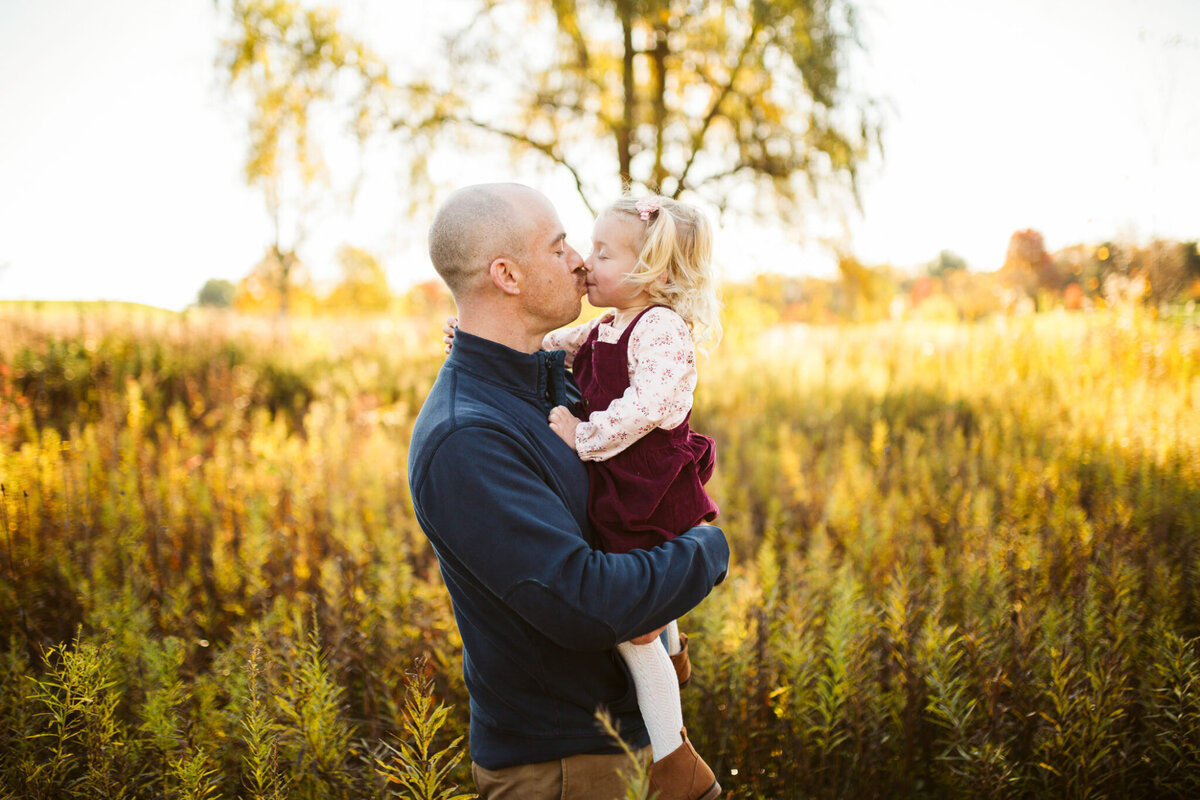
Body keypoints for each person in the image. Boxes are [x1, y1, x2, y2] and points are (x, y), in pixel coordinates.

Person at [408, 183, 729, 800]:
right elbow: (585, 602)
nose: (581, 260)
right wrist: (708, 552)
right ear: (506, 276)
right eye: (559, 249)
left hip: (615, 747)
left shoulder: (548, 379)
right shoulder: (466, 437)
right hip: (566, 768)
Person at [542, 194, 723, 800]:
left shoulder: (662, 329)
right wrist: (474, 338)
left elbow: (648, 407)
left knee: (631, 625)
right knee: (646, 613)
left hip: (645, 487)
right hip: (620, 485)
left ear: (657, 273)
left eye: (603, 253)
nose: (586, 264)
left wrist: (583, 433)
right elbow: (553, 348)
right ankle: (671, 655)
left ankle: (677, 762)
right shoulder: (607, 324)